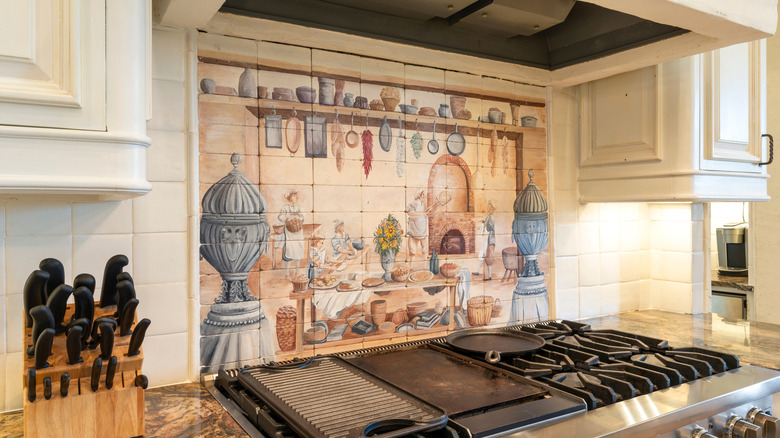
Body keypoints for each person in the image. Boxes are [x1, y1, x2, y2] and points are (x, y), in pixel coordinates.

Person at [279, 189, 305, 276]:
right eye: (294, 196)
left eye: (296, 196)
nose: (296, 197)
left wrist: (298, 218)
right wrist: (287, 216)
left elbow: (303, 217)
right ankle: (287, 272)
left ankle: (297, 271)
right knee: (289, 251)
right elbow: (280, 217)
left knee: (297, 251)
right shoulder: (285, 207)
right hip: (289, 232)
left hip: (298, 232)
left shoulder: (299, 207)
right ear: (290, 197)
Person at [406, 189, 429, 266]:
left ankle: (425, 265)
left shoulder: (423, 205)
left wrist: (426, 212)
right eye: (422, 195)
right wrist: (423, 213)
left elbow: (424, 215)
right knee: (412, 251)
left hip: (422, 230)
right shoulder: (412, 204)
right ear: (419, 195)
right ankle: (411, 267)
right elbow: (411, 213)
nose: (424, 196)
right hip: (414, 230)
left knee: (425, 249)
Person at [477, 200, 496, 280]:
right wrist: (484, 222)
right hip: (488, 237)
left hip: (490, 238)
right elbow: (487, 223)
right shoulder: (489, 216)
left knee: (488, 256)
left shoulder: (491, 216)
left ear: (491, 208)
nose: (487, 208)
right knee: (482, 253)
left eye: (489, 206)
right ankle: (478, 271)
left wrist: (484, 225)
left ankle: (489, 276)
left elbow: (490, 226)